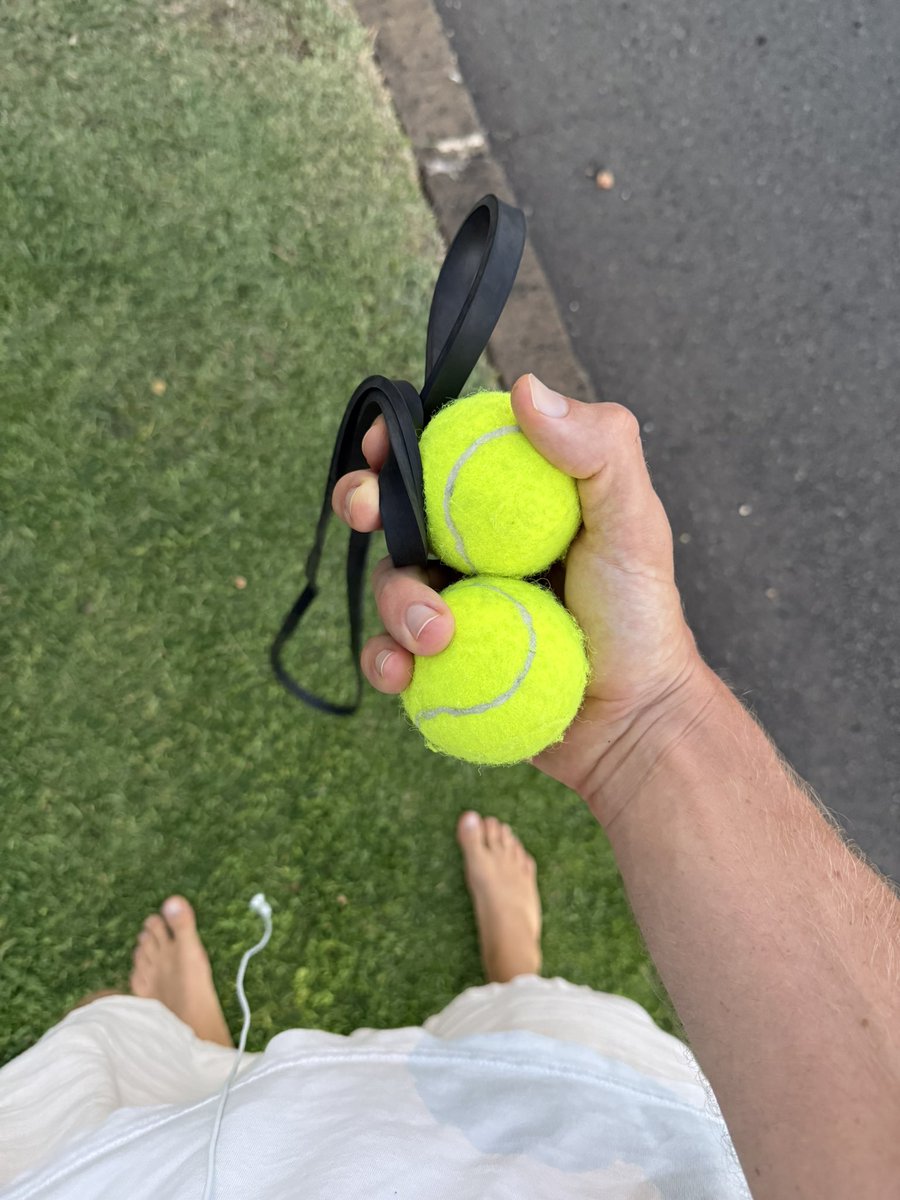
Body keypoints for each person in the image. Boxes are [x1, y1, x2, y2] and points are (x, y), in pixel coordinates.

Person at [1, 375, 897, 1198]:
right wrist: (646, 727)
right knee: (553, 1040)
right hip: (603, 1124)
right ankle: (517, 986)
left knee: (134, 1058)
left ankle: (208, 1063)